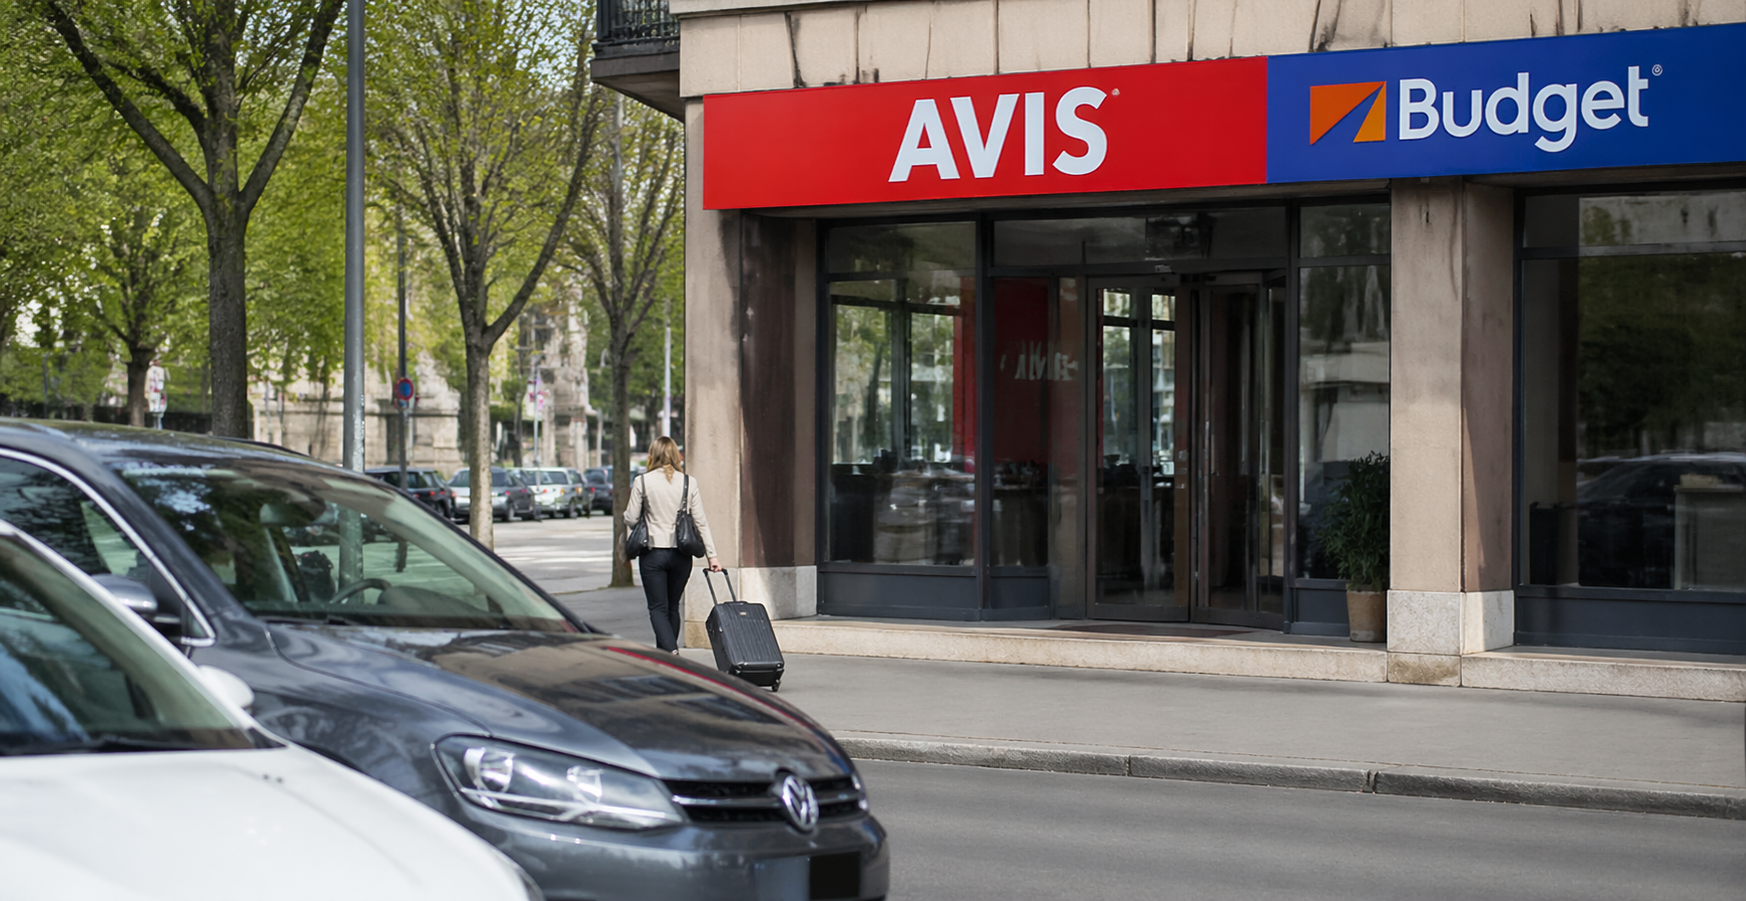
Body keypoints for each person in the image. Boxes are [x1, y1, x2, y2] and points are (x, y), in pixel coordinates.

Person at [624, 437, 721, 652]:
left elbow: (631, 518)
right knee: (672, 607)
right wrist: (712, 556)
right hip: (681, 554)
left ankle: (671, 651)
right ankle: (666, 658)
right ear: (676, 456)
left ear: (653, 455)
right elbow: (700, 521)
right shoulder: (688, 482)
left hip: (653, 554)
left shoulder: (642, 481)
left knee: (657, 608)